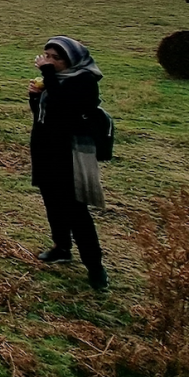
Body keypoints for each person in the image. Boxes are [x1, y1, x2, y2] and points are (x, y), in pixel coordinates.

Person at [29, 37, 108, 290]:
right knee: (51, 201)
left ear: (71, 60)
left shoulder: (84, 80)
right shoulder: (56, 81)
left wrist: (48, 74)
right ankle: (61, 246)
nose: (49, 61)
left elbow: (65, 109)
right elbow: (45, 115)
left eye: (55, 58)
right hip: (46, 150)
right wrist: (35, 97)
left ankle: (95, 267)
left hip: (69, 154)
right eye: (47, 56)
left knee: (76, 210)